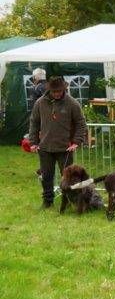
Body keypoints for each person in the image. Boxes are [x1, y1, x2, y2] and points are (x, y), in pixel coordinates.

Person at [27, 76, 87, 209]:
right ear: (49, 90)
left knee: (69, 178)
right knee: (46, 176)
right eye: (54, 91)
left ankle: (70, 201)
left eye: (59, 91)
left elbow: (81, 123)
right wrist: (33, 142)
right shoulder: (40, 103)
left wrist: (76, 141)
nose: (57, 94)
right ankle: (47, 201)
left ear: (64, 89)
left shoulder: (72, 103)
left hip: (65, 149)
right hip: (45, 147)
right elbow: (34, 123)